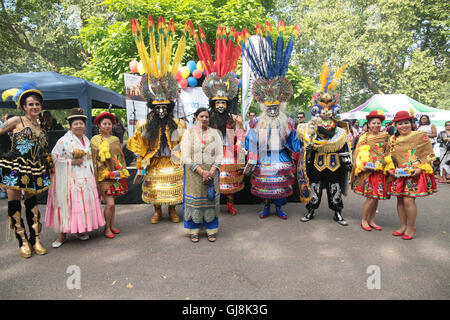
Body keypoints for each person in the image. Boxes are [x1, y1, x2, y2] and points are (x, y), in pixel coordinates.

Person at [127, 16, 189, 223]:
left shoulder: (179, 124)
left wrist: (180, 154)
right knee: (154, 186)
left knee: (172, 186)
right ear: (153, 108)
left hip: (171, 160)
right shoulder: (145, 125)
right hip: (153, 161)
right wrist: (141, 160)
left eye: (165, 107)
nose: (161, 111)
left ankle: (171, 210)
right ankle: (157, 211)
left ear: (169, 108)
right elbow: (139, 143)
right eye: (158, 107)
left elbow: (184, 143)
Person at [241, 21, 302, 219]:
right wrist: (250, 151)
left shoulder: (288, 121)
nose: (272, 109)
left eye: (275, 107)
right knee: (266, 183)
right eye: (269, 107)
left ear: (281, 105)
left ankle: (280, 207)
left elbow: (293, 141)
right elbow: (250, 140)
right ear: (264, 106)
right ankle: (266, 207)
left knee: (280, 182)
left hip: (281, 155)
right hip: (264, 156)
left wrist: (298, 148)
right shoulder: (257, 121)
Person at [193, 25, 246, 215]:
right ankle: (212, 203)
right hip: (212, 152)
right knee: (212, 180)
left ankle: (230, 204)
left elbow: (239, 136)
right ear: (213, 104)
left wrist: (239, 146)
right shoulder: (207, 118)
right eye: (218, 103)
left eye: (224, 102)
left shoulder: (233, 119)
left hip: (228, 152)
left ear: (228, 103)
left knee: (229, 179)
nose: (221, 106)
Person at [0, 83, 53, 258]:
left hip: (34, 170)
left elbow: (43, 151)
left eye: (37, 104)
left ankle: (35, 238)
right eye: (31, 104)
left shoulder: (41, 126)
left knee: (32, 204)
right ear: (24, 106)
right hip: (14, 168)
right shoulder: (17, 120)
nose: (34, 107)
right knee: (14, 204)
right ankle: (22, 240)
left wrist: (48, 166)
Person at [297, 62, 352, 226]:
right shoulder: (309, 128)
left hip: (334, 163)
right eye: (323, 109)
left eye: (329, 109)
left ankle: (337, 212)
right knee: (314, 186)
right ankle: (311, 210)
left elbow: (343, 146)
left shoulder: (340, 130)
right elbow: (306, 145)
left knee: (335, 187)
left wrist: (347, 161)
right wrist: (310, 148)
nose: (326, 112)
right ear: (316, 110)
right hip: (316, 162)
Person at [45, 108, 105, 247]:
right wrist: (71, 161)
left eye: (81, 123)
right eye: (75, 124)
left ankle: (79, 230)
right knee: (67, 206)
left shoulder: (86, 139)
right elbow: (53, 158)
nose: (79, 126)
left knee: (81, 206)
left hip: (85, 178)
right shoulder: (63, 141)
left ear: (85, 126)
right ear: (70, 126)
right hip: (68, 179)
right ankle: (62, 235)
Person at [384, 110, 437, 240]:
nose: (403, 126)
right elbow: (388, 157)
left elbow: (429, 154)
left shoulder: (421, 135)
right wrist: (390, 169)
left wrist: (420, 168)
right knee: (400, 200)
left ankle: (410, 227)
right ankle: (403, 226)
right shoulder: (392, 139)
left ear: (411, 123)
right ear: (396, 125)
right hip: (399, 175)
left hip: (414, 174)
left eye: (406, 123)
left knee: (408, 200)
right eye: (400, 124)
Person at [180, 108, 223, 242]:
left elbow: (220, 154)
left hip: (212, 173)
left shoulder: (214, 133)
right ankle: (194, 230)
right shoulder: (188, 133)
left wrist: (212, 170)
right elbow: (185, 157)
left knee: (210, 199)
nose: (204, 119)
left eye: (207, 117)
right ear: (195, 117)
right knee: (195, 201)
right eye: (201, 116)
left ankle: (211, 229)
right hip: (194, 174)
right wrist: (201, 171)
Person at [91, 112, 130, 238]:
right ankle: (106, 228)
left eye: (109, 124)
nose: (107, 126)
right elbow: (95, 160)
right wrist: (105, 173)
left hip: (116, 175)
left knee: (113, 204)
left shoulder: (116, 139)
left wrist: (121, 170)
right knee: (110, 203)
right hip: (104, 176)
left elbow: (121, 157)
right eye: (104, 124)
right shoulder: (95, 140)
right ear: (99, 125)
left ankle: (112, 225)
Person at [350, 110, 390, 231]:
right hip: (368, 171)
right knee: (371, 197)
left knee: (376, 197)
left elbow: (389, 152)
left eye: (378, 123)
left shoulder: (386, 136)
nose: (376, 125)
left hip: (380, 170)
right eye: (373, 123)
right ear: (368, 124)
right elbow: (358, 153)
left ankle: (372, 220)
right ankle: (364, 220)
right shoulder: (364, 137)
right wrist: (362, 165)